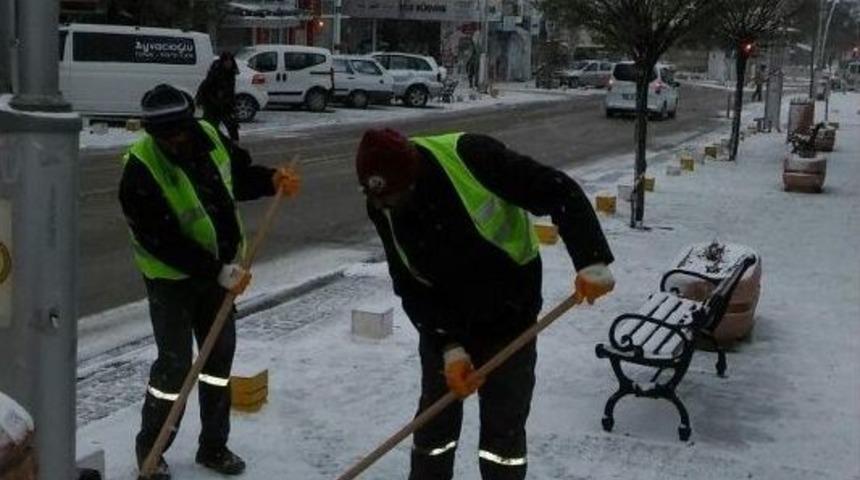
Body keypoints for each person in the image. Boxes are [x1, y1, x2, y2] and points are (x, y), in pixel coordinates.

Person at [355, 129, 615, 480]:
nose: (388, 206)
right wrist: (448, 346)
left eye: (396, 196)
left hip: (509, 314)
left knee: (503, 433)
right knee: (434, 426)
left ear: (413, 174)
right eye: (380, 200)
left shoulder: (471, 155)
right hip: (445, 320)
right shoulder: (382, 203)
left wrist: (591, 259)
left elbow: (558, 190)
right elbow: (409, 283)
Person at [119, 84, 300, 479]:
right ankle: (151, 450)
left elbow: (237, 178)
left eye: (178, 131)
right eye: (163, 135)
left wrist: (271, 179)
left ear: (189, 123)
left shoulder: (211, 138)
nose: (173, 141)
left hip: (220, 277)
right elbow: (160, 239)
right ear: (152, 132)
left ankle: (214, 448)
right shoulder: (140, 170)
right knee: (174, 368)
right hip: (172, 283)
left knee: (218, 362)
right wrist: (215, 270)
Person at [196, 52, 241, 142]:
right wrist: (212, 100)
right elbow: (205, 87)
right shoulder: (215, 72)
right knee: (210, 127)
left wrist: (232, 104)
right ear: (222, 62)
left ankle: (234, 144)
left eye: (230, 60)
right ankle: (208, 143)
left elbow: (231, 91)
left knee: (232, 125)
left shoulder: (231, 74)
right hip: (213, 105)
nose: (228, 63)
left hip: (226, 105)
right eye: (226, 60)